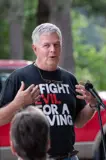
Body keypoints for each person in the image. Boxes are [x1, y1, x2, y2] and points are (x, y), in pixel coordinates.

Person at [0, 23, 97, 160]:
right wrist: (17, 103)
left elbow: (78, 122)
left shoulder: (69, 79)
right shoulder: (19, 78)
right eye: (47, 45)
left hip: (68, 157)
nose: (53, 50)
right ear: (35, 48)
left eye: (57, 45)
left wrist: (92, 105)